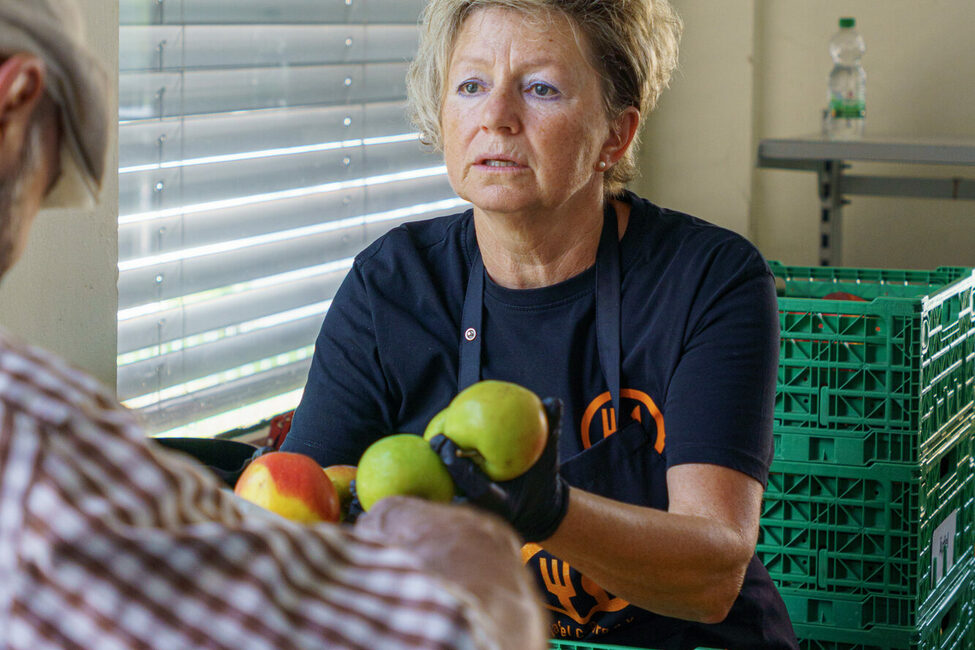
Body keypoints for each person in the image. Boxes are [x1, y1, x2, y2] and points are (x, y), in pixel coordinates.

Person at [0, 2, 549, 648]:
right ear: (15, 99)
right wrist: (474, 551)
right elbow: (453, 636)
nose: (497, 117)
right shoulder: (35, 441)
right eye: (50, 178)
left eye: (541, 88)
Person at [282, 1, 800, 648]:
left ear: (615, 135)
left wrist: (547, 510)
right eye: (470, 85)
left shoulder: (706, 279)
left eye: (539, 88)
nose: (495, 117)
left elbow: (712, 574)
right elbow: (297, 521)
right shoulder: (391, 287)